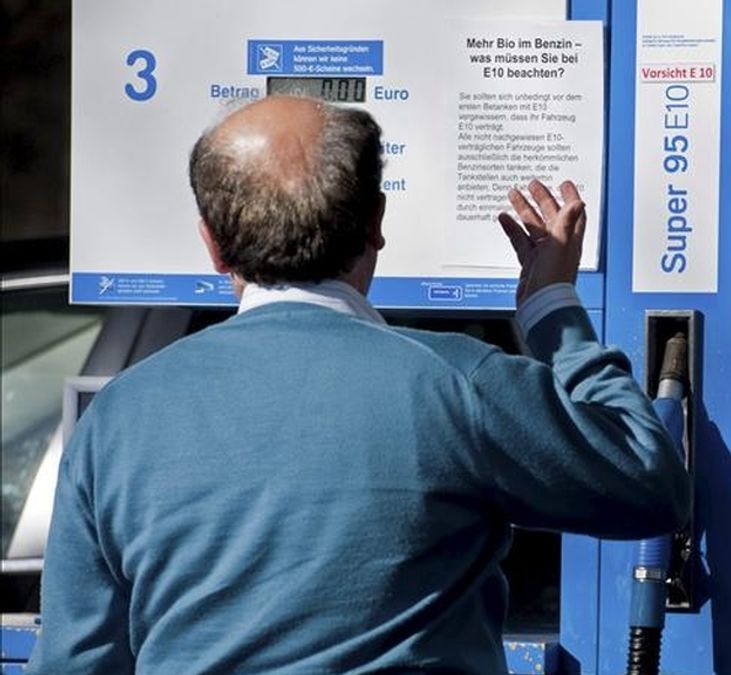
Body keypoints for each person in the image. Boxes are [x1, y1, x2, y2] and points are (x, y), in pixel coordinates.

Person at [29, 96, 690, 673]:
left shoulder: (116, 420)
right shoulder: (458, 383)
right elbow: (649, 483)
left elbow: (76, 660)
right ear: (376, 221)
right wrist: (553, 306)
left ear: (213, 246)